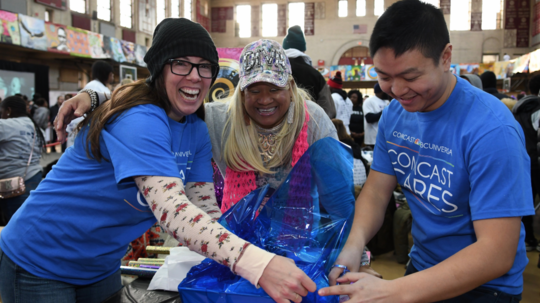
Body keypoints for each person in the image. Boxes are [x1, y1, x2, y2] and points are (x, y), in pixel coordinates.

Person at [0, 19, 316, 303]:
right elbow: (174, 213)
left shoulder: (195, 130)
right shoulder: (140, 120)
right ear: (159, 68)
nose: (195, 76)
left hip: (98, 265)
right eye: (181, 64)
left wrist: (260, 252)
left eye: (205, 66)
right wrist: (259, 265)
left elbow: (203, 209)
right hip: (38, 260)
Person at [56, 39, 381, 278]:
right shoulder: (218, 118)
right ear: (241, 91)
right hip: (237, 249)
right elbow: (162, 92)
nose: (264, 100)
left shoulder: (313, 120)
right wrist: (97, 95)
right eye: (254, 89)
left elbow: (339, 203)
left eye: (275, 88)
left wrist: (353, 258)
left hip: (302, 248)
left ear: (291, 86)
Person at [318, 0, 534, 302]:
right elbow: (378, 191)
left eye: (410, 77)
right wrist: (354, 244)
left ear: (445, 58)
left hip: (485, 286)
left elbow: (496, 253)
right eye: (384, 76)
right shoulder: (396, 114)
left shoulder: (492, 130)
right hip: (423, 264)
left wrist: (392, 291)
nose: (396, 89)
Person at [0, 96, 44, 224]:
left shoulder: (5, 125)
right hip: (33, 178)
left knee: (14, 226)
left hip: (11, 184)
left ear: (8, 110)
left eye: (1, 112)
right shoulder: (37, 129)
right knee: (28, 224)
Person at [512, 73, 540, 252]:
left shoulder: (518, 108)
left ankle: (528, 238)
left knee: (526, 200)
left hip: (523, 159)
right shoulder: (537, 110)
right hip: (537, 160)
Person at [283, 25, 336, 118]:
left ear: (284, 48)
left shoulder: (275, 71)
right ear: (303, 49)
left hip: (278, 130)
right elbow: (330, 111)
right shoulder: (316, 75)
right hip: (309, 129)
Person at [362, 83, 388, 148]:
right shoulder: (369, 101)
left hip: (385, 137)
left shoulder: (386, 101)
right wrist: (385, 112)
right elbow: (369, 118)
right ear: (382, 91)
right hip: (373, 137)